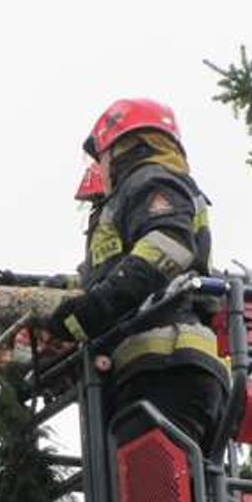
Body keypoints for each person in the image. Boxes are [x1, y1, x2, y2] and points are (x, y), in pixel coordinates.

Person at [47, 98, 227, 452]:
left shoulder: (149, 179)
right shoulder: (143, 188)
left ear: (123, 147)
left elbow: (168, 245)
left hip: (167, 365)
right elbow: (101, 279)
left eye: (102, 155)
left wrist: (98, 308)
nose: (101, 166)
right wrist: (28, 287)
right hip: (157, 371)